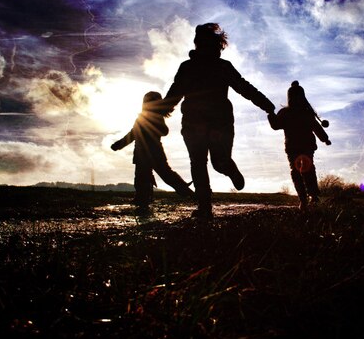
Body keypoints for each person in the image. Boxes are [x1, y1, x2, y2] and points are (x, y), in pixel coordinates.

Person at [161, 23, 275, 219]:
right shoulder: (188, 67)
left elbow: (244, 87)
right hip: (194, 124)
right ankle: (205, 207)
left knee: (218, 162)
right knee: (198, 163)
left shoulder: (223, 67)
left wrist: (267, 105)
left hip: (219, 123)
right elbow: (175, 92)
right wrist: (157, 111)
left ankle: (229, 168)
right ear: (198, 45)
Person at [111, 91, 195, 210]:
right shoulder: (142, 118)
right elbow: (133, 134)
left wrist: (153, 126)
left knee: (164, 174)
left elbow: (164, 131)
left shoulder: (155, 117)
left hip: (153, 152)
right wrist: (119, 145)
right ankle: (142, 199)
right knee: (142, 177)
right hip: (143, 153)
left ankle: (186, 191)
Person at [268, 80, 331, 210]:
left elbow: (316, 128)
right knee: (302, 170)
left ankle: (309, 197)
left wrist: (325, 139)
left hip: (299, 146)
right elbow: (276, 125)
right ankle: (307, 198)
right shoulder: (295, 113)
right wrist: (271, 115)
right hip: (296, 147)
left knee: (301, 170)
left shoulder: (292, 113)